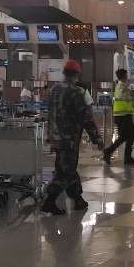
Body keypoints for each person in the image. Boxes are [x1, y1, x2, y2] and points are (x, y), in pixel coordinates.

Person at [41, 60, 102, 215]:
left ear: (64, 72)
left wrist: (50, 135)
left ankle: (78, 199)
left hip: (55, 137)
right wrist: (97, 138)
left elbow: (50, 113)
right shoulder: (77, 92)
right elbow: (86, 118)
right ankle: (49, 201)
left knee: (66, 167)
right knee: (65, 171)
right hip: (69, 140)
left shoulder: (54, 89)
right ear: (76, 74)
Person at [102, 67, 134, 165]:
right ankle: (124, 157)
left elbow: (129, 96)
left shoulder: (121, 85)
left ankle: (110, 152)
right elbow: (122, 95)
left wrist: (133, 93)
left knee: (124, 137)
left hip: (122, 115)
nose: (127, 77)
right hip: (123, 115)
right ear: (124, 76)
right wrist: (130, 89)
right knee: (130, 136)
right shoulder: (122, 85)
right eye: (126, 75)